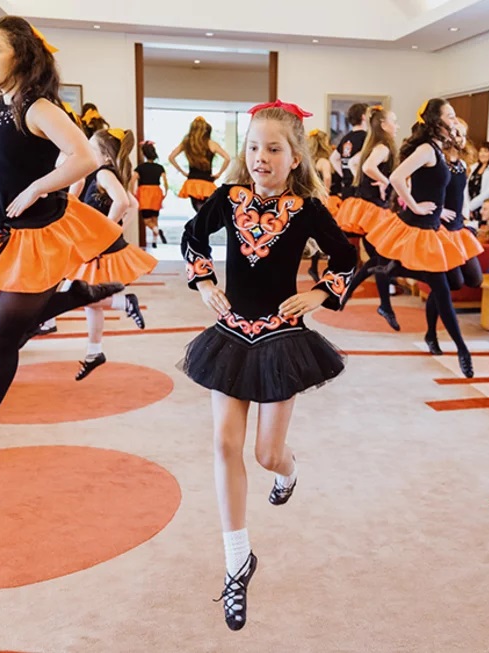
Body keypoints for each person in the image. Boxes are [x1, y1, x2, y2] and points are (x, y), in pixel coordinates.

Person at [179, 100, 357, 631]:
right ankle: (237, 561)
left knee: (265, 453)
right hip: (230, 336)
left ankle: (291, 469)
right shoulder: (226, 197)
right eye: (253, 147)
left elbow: (346, 258)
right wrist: (206, 282)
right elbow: (191, 237)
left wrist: (319, 295)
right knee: (224, 444)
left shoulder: (306, 210)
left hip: (282, 340)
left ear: (296, 157)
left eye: (273, 149)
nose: (260, 157)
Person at [0, 16, 126, 487]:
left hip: (34, 235)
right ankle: (81, 294)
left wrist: (34, 190)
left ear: (20, 54)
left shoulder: (39, 107)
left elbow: (86, 158)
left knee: (5, 335)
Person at [351, 98, 477, 377]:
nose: (455, 121)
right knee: (443, 290)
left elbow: (442, 188)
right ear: (436, 120)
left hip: (440, 229)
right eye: (451, 116)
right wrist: (415, 204)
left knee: (455, 282)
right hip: (424, 229)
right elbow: (399, 177)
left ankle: (390, 269)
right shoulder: (427, 149)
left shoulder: (445, 152)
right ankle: (461, 349)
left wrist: (448, 209)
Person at [72, 128, 157, 380]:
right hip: (98, 246)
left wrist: (106, 230)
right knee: (90, 303)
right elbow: (133, 204)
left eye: (92, 149)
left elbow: (122, 202)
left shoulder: (104, 173)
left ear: (106, 156)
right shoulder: (104, 174)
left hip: (100, 247)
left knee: (76, 294)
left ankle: (123, 302)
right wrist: (117, 227)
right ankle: (94, 352)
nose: (87, 153)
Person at [333, 106, 401, 329]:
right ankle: (382, 306)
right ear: (383, 125)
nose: (397, 125)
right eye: (394, 120)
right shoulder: (383, 147)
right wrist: (385, 181)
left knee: (378, 259)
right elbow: (368, 166)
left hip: (370, 207)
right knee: (380, 259)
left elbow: (354, 164)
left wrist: (368, 180)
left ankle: (349, 295)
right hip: (374, 210)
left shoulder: (374, 145)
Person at [425, 122, 484, 355]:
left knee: (473, 279)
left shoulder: (461, 163)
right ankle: (431, 334)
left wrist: (468, 218)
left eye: (463, 132)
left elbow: (463, 195)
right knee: (450, 284)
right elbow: (416, 189)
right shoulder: (434, 159)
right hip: (439, 229)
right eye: (456, 132)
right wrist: (436, 211)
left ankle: (431, 332)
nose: (461, 136)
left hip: (459, 227)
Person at [169, 116, 231, 211]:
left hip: (192, 182)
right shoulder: (211, 144)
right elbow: (227, 158)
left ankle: (199, 225)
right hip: (207, 182)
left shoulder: (187, 143)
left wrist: (182, 172)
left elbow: (171, 157)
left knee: (198, 212)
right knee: (207, 213)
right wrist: (219, 174)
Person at [307, 128, 338, 281]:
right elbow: (327, 179)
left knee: (317, 235)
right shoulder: (324, 161)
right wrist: (326, 194)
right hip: (324, 199)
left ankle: (314, 267)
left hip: (311, 199)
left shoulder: (309, 162)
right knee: (330, 235)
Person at [330, 102, 369, 198]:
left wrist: (344, 174)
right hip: (359, 187)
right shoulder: (366, 138)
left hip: (347, 187)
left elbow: (334, 158)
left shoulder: (346, 138)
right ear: (364, 117)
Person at [133, 140, 168, 248]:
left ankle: (155, 230)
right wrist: (165, 194)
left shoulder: (140, 168)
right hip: (156, 192)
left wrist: (132, 192)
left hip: (145, 193)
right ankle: (154, 241)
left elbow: (132, 180)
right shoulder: (160, 167)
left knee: (146, 219)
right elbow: (165, 182)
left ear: (143, 153)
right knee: (154, 218)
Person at [466, 142, 489, 222]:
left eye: (486, 151)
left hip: (485, 207)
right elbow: (467, 187)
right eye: (480, 151)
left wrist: (471, 206)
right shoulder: (474, 167)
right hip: (471, 208)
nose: (482, 154)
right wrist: (467, 206)